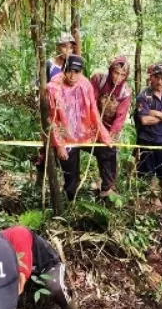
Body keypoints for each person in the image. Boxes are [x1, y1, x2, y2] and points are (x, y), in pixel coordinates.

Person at [0, 217, 79, 309]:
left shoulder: (18, 233)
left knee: (55, 287)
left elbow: (22, 270)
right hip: (28, 273)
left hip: (48, 265)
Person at [48, 55, 113, 201]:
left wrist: (104, 135)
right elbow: (52, 118)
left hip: (85, 133)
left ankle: (107, 189)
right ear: (64, 70)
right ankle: (70, 201)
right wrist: (59, 145)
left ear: (81, 72)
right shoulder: (53, 87)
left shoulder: (85, 84)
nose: (72, 75)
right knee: (71, 174)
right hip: (66, 138)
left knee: (108, 150)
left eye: (76, 72)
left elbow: (94, 111)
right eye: (69, 71)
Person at [135, 63, 162, 209]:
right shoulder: (144, 96)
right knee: (149, 172)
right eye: (157, 77)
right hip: (146, 139)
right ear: (151, 77)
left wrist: (157, 114)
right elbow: (145, 120)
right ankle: (153, 199)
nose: (159, 81)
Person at [90, 55, 132, 197]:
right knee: (98, 152)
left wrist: (111, 135)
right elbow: (91, 103)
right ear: (111, 70)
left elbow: (120, 117)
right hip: (93, 124)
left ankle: (108, 187)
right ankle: (103, 183)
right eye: (116, 73)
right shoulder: (98, 80)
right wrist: (98, 128)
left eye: (122, 75)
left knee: (110, 152)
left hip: (111, 128)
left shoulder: (125, 92)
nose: (118, 77)